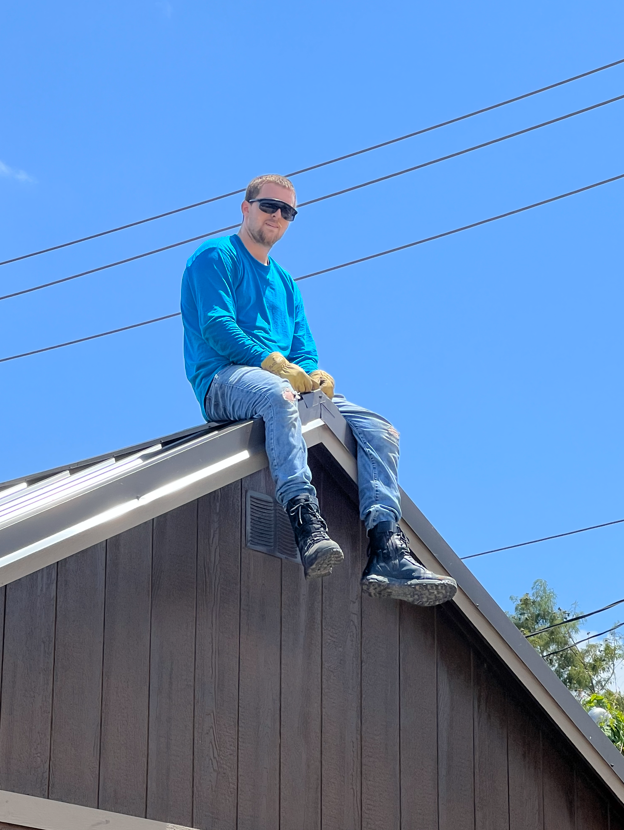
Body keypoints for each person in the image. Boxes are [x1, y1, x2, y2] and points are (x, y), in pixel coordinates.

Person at [181, 174, 457, 606]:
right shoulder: (215, 257)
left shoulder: (287, 284)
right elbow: (217, 326)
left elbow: (304, 351)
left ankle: (386, 546)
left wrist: (313, 375)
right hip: (224, 379)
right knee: (279, 396)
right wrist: (273, 364)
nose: (276, 216)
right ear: (245, 207)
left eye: (286, 211)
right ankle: (306, 521)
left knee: (381, 430)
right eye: (268, 206)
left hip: (281, 380)